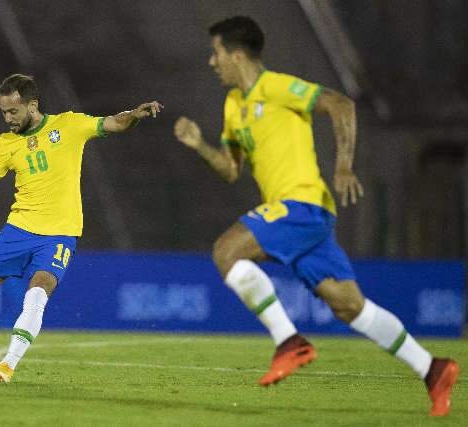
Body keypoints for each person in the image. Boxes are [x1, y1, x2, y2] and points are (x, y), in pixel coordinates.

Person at [173, 16, 458, 416]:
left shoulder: (275, 86)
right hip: (301, 218)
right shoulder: (233, 105)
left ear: (237, 55)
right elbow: (231, 169)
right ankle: (432, 368)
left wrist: (343, 166)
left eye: (216, 53)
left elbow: (340, 104)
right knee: (349, 306)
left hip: (302, 204)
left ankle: (289, 340)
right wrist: (200, 145)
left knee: (226, 251)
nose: (212, 61)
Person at [0, 73, 163, 383]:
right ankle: (17, 266)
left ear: (32, 106)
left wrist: (135, 115)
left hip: (60, 231)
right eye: (3, 112)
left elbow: (113, 123)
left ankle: (8, 363)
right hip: (19, 228)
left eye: (13, 112)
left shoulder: (69, 125)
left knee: (40, 287)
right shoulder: (6, 143)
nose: (7, 118)